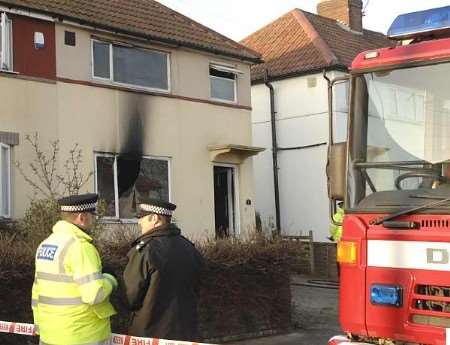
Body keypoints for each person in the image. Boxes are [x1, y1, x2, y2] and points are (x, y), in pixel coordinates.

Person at [31, 193, 117, 345]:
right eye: (93, 215)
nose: (94, 220)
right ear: (82, 217)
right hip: (83, 334)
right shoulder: (80, 247)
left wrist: (39, 326)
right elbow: (94, 294)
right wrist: (110, 279)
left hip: (50, 334)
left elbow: (37, 293)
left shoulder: (45, 244)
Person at [123, 198, 204, 341]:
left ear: (154, 219)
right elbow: (196, 288)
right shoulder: (190, 249)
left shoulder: (145, 250)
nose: (139, 222)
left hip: (149, 335)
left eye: (142, 217)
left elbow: (130, 297)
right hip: (185, 332)